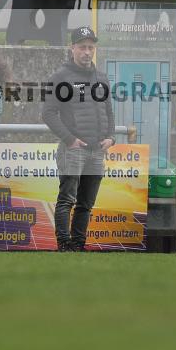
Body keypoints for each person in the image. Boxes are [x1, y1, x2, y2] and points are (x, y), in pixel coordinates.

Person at [42, 26, 114, 252]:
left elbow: (109, 112)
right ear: (72, 48)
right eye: (82, 47)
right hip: (72, 149)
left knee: (86, 204)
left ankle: (79, 246)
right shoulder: (60, 77)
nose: (86, 51)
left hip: (96, 151)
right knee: (66, 200)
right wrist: (69, 139)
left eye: (90, 47)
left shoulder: (101, 77)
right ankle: (65, 245)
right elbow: (48, 113)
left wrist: (111, 137)